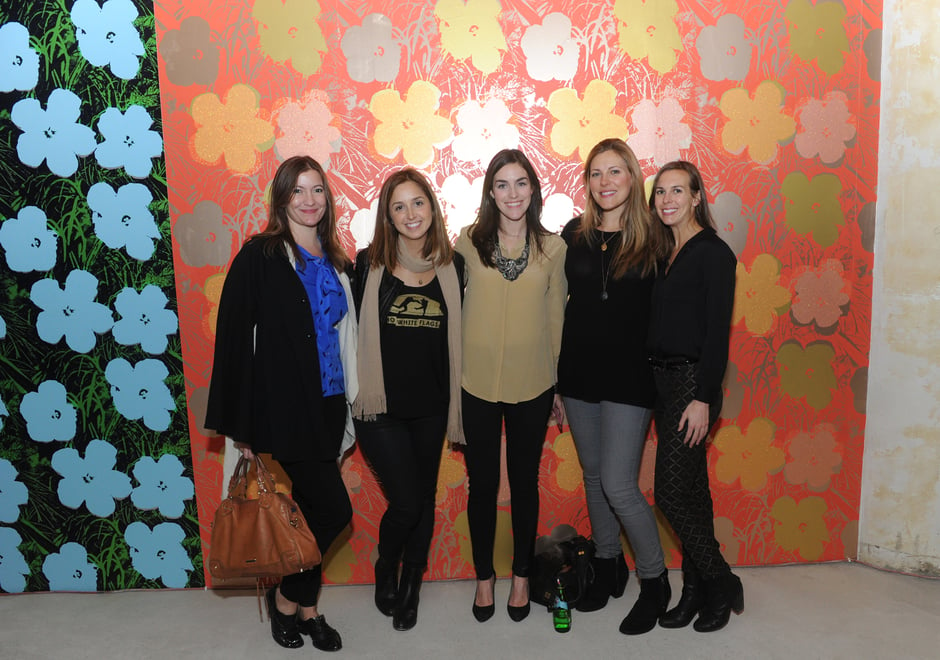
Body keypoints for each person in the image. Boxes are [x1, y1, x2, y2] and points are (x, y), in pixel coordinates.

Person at [205, 156, 357, 652]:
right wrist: (241, 425)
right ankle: (289, 601)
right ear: (281, 199)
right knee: (335, 510)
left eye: (317, 191)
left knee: (313, 512)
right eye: (298, 191)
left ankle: (307, 611)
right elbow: (233, 339)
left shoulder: (337, 260)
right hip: (286, 408)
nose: (310, 201)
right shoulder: (261, 256)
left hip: (331, 402)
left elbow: (345, 335)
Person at [556, 138, 671, 634]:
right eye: (596, 174)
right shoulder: (572, 235)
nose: (605, 182)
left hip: (630, 378)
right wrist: (557, 383)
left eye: (615, 172)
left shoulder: (656, 240)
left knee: (620, 485)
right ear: (587, 183)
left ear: (632, 178)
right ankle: (607, 565)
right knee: (594, 474)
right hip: (578, 375)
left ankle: (656, 582)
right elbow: (561, 308)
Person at [456, 148, 567, 623]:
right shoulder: (466, 243)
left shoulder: (554, 248)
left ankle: (521, 576)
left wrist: (559, 385)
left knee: (524, 484)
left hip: (534, 383)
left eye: (521, 182)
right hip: (474, 383)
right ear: (490, 191)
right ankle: (485, 578)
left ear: (534, 189)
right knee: (481, 485)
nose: (512, 193)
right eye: (502, 184)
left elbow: (557, 319)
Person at [352, 168, 465, 631]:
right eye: (399, 206)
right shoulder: (364, 265)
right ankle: (386, 567)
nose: (410, 213)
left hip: (432, 407)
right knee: (406, 503)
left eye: (418, 202)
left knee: (420, 498)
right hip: (379, 408)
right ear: (388, 216)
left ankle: (412, 582)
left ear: (432, 208)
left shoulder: (454, 266)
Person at [646, 160, 742, 633]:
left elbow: (717, 334)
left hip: (691, 386)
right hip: (664, 384)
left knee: (668, 492)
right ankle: (695, 593)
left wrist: (703, 397)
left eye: (677, 191)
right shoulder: (666, 252)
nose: (667, 200)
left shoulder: (713, 253)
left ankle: (721, 581)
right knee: (693, 494)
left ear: (697, 196)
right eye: (660, 192)